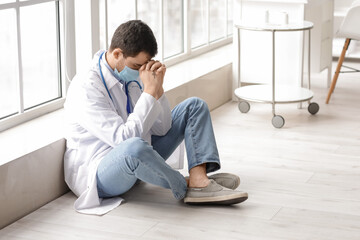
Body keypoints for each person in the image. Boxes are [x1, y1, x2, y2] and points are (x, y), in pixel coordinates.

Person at [64, 20, 248, 215]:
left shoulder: (130, 76)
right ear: (117, 54)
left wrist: (157, 91)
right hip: (100, 173)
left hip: (137, 159)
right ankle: (187, 184)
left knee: (194, 106)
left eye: (146, 65)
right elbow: (123, 140)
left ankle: (198, 177)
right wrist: (149, 93)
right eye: (137, 65)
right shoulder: (86, 87)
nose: (142, 71)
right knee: (134, 146)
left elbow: (162, 128)